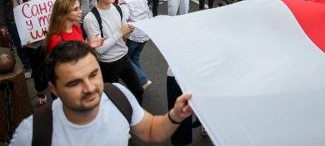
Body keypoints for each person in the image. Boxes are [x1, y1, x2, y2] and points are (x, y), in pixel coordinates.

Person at [10, 41, 193, 146]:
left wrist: (175, 115)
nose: (90, 88)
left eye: (93, 74)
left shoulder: (117, 95)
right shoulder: (32, 133)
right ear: (54, 89)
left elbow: (151, 131)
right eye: (74, 83)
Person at [83, 0, 144, 104]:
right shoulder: (91, 18)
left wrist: (127, 32)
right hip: (107, 63)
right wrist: (120, 32)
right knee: (113, 99)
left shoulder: (118, 8)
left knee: (138, 90)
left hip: (124, 57)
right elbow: (99, 49)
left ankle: (136, 119)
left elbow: (123, 36)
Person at [13, 0, 58, 105]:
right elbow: (19, 20)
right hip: (35, 45)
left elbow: (58, 8)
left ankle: (56, 97)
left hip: (53, 39)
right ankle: (40, 91)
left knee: (55, 69)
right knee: (39, 72)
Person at [118, 0, 152, 89]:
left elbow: (124, 19)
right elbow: (147, 11)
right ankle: (139, 81)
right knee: (135, 57)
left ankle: (142, 79)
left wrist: (123, 37)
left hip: (133, 33)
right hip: (145, 31)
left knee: (125, 58)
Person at [0, 0, 31, 76]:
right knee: (20, 45)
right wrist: (3, 25)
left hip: (30, 19)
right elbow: (1, 3)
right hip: (13, 20)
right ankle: (27, 66)